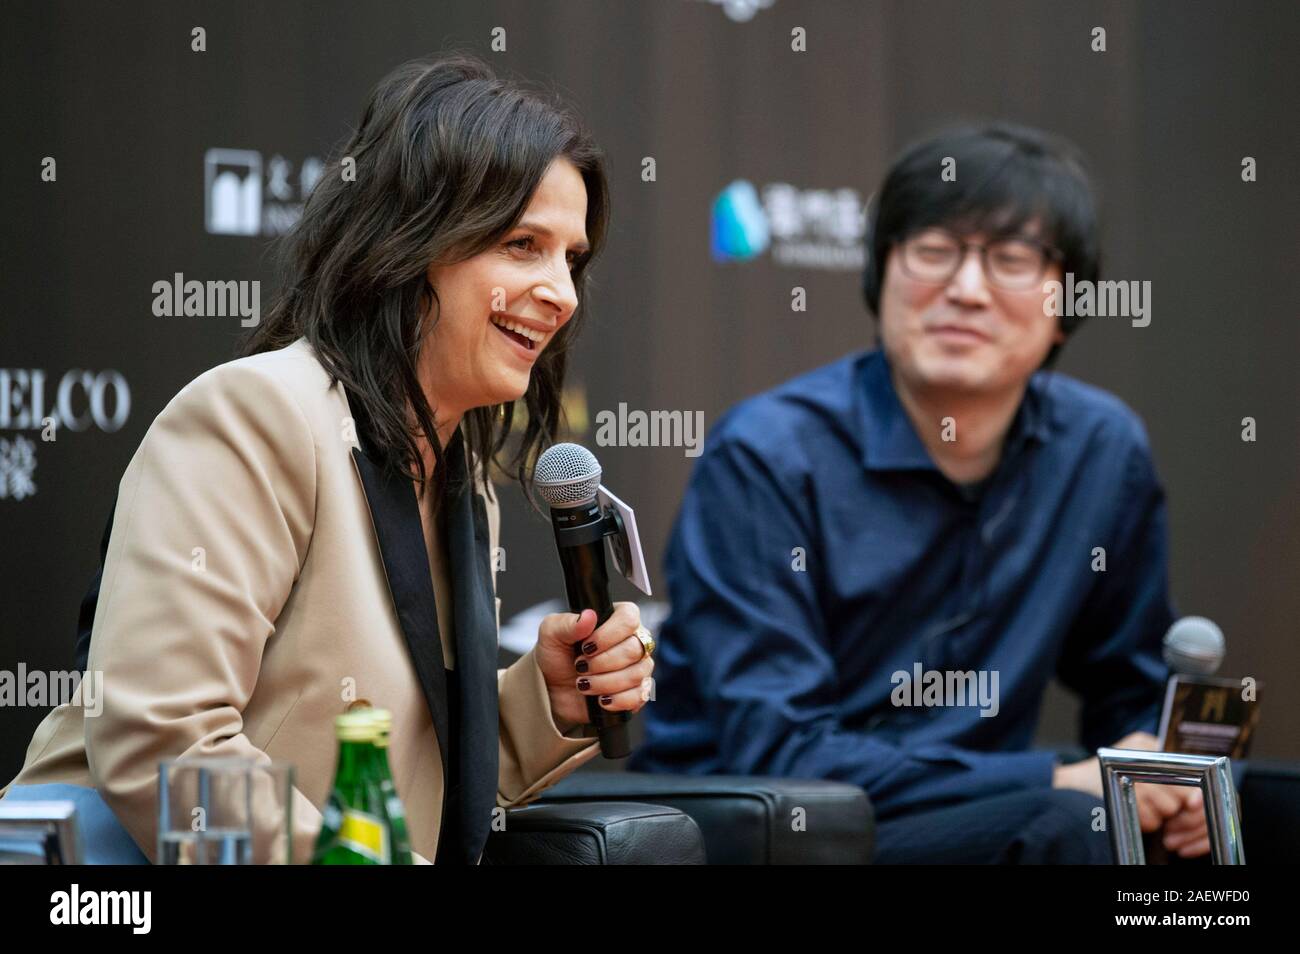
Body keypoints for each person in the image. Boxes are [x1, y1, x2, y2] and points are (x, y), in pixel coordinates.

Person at [1, 52, 654, 864]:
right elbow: (163, 752)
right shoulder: (258, 415)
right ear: (413, 241)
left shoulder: (456, 475)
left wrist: (540, 704)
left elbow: (392, 779)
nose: (561, 291)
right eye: (523, 244)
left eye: (572, 258)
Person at [630, 124, 1210, 863]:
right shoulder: (768, 455)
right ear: (882, 274)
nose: (965, 291)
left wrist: (1168, 775)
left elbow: (1130, 683)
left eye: (1010, 260)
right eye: (934, 253)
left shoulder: (1100, 451)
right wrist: (1059, 777)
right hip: (763, 826)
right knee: (1068, 824)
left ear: (1067, 298)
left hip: (973, 816)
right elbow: (780, 748)